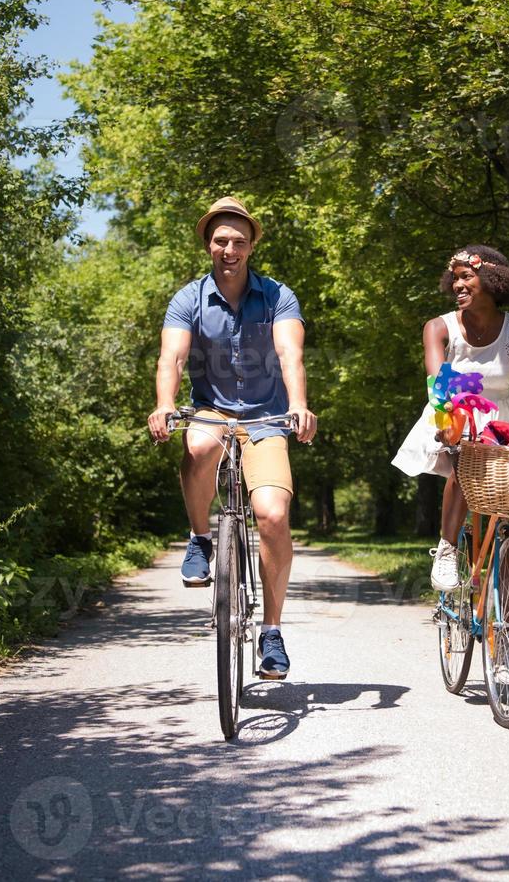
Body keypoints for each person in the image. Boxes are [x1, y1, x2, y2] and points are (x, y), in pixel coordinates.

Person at [147, 196, 317, 679]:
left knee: (273, 515)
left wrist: (299, 405)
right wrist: (164, 402)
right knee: (197, 444)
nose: (229, 249)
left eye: (239, 241)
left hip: (267, 417)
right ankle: (200, 536)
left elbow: (290, 355)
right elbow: (172, 360)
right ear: (207, 244)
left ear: (252, 246)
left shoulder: (279, 295)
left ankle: (271, 632)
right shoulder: (188, 299)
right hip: (212, 411)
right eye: (221, 240)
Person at [390, 245, 509, 590]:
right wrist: (449, 426)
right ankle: (447, 548)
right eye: (454, 278)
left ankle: (504, 596)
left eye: (466, 277)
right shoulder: (438, 327)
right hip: (454, 412)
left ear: (491, 280)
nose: (457, 285)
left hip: (503, 417)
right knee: (466, 466)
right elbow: (438, 383)